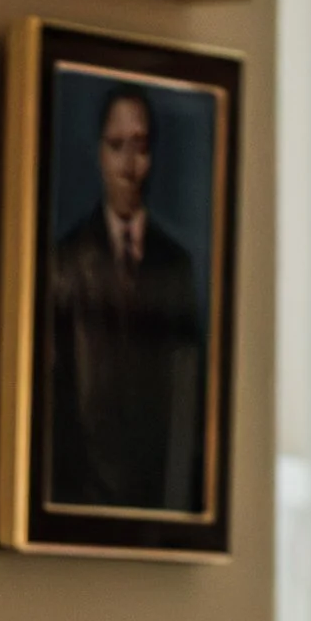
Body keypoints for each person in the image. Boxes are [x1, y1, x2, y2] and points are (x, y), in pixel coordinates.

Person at [46, 82, 204, 514]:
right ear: (99, 153)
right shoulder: (66, 262)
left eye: (140, 147)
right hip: (84, 498)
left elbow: (187, 402)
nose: (129, 165)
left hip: (156, 502)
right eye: (117, 146)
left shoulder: (176, 266)